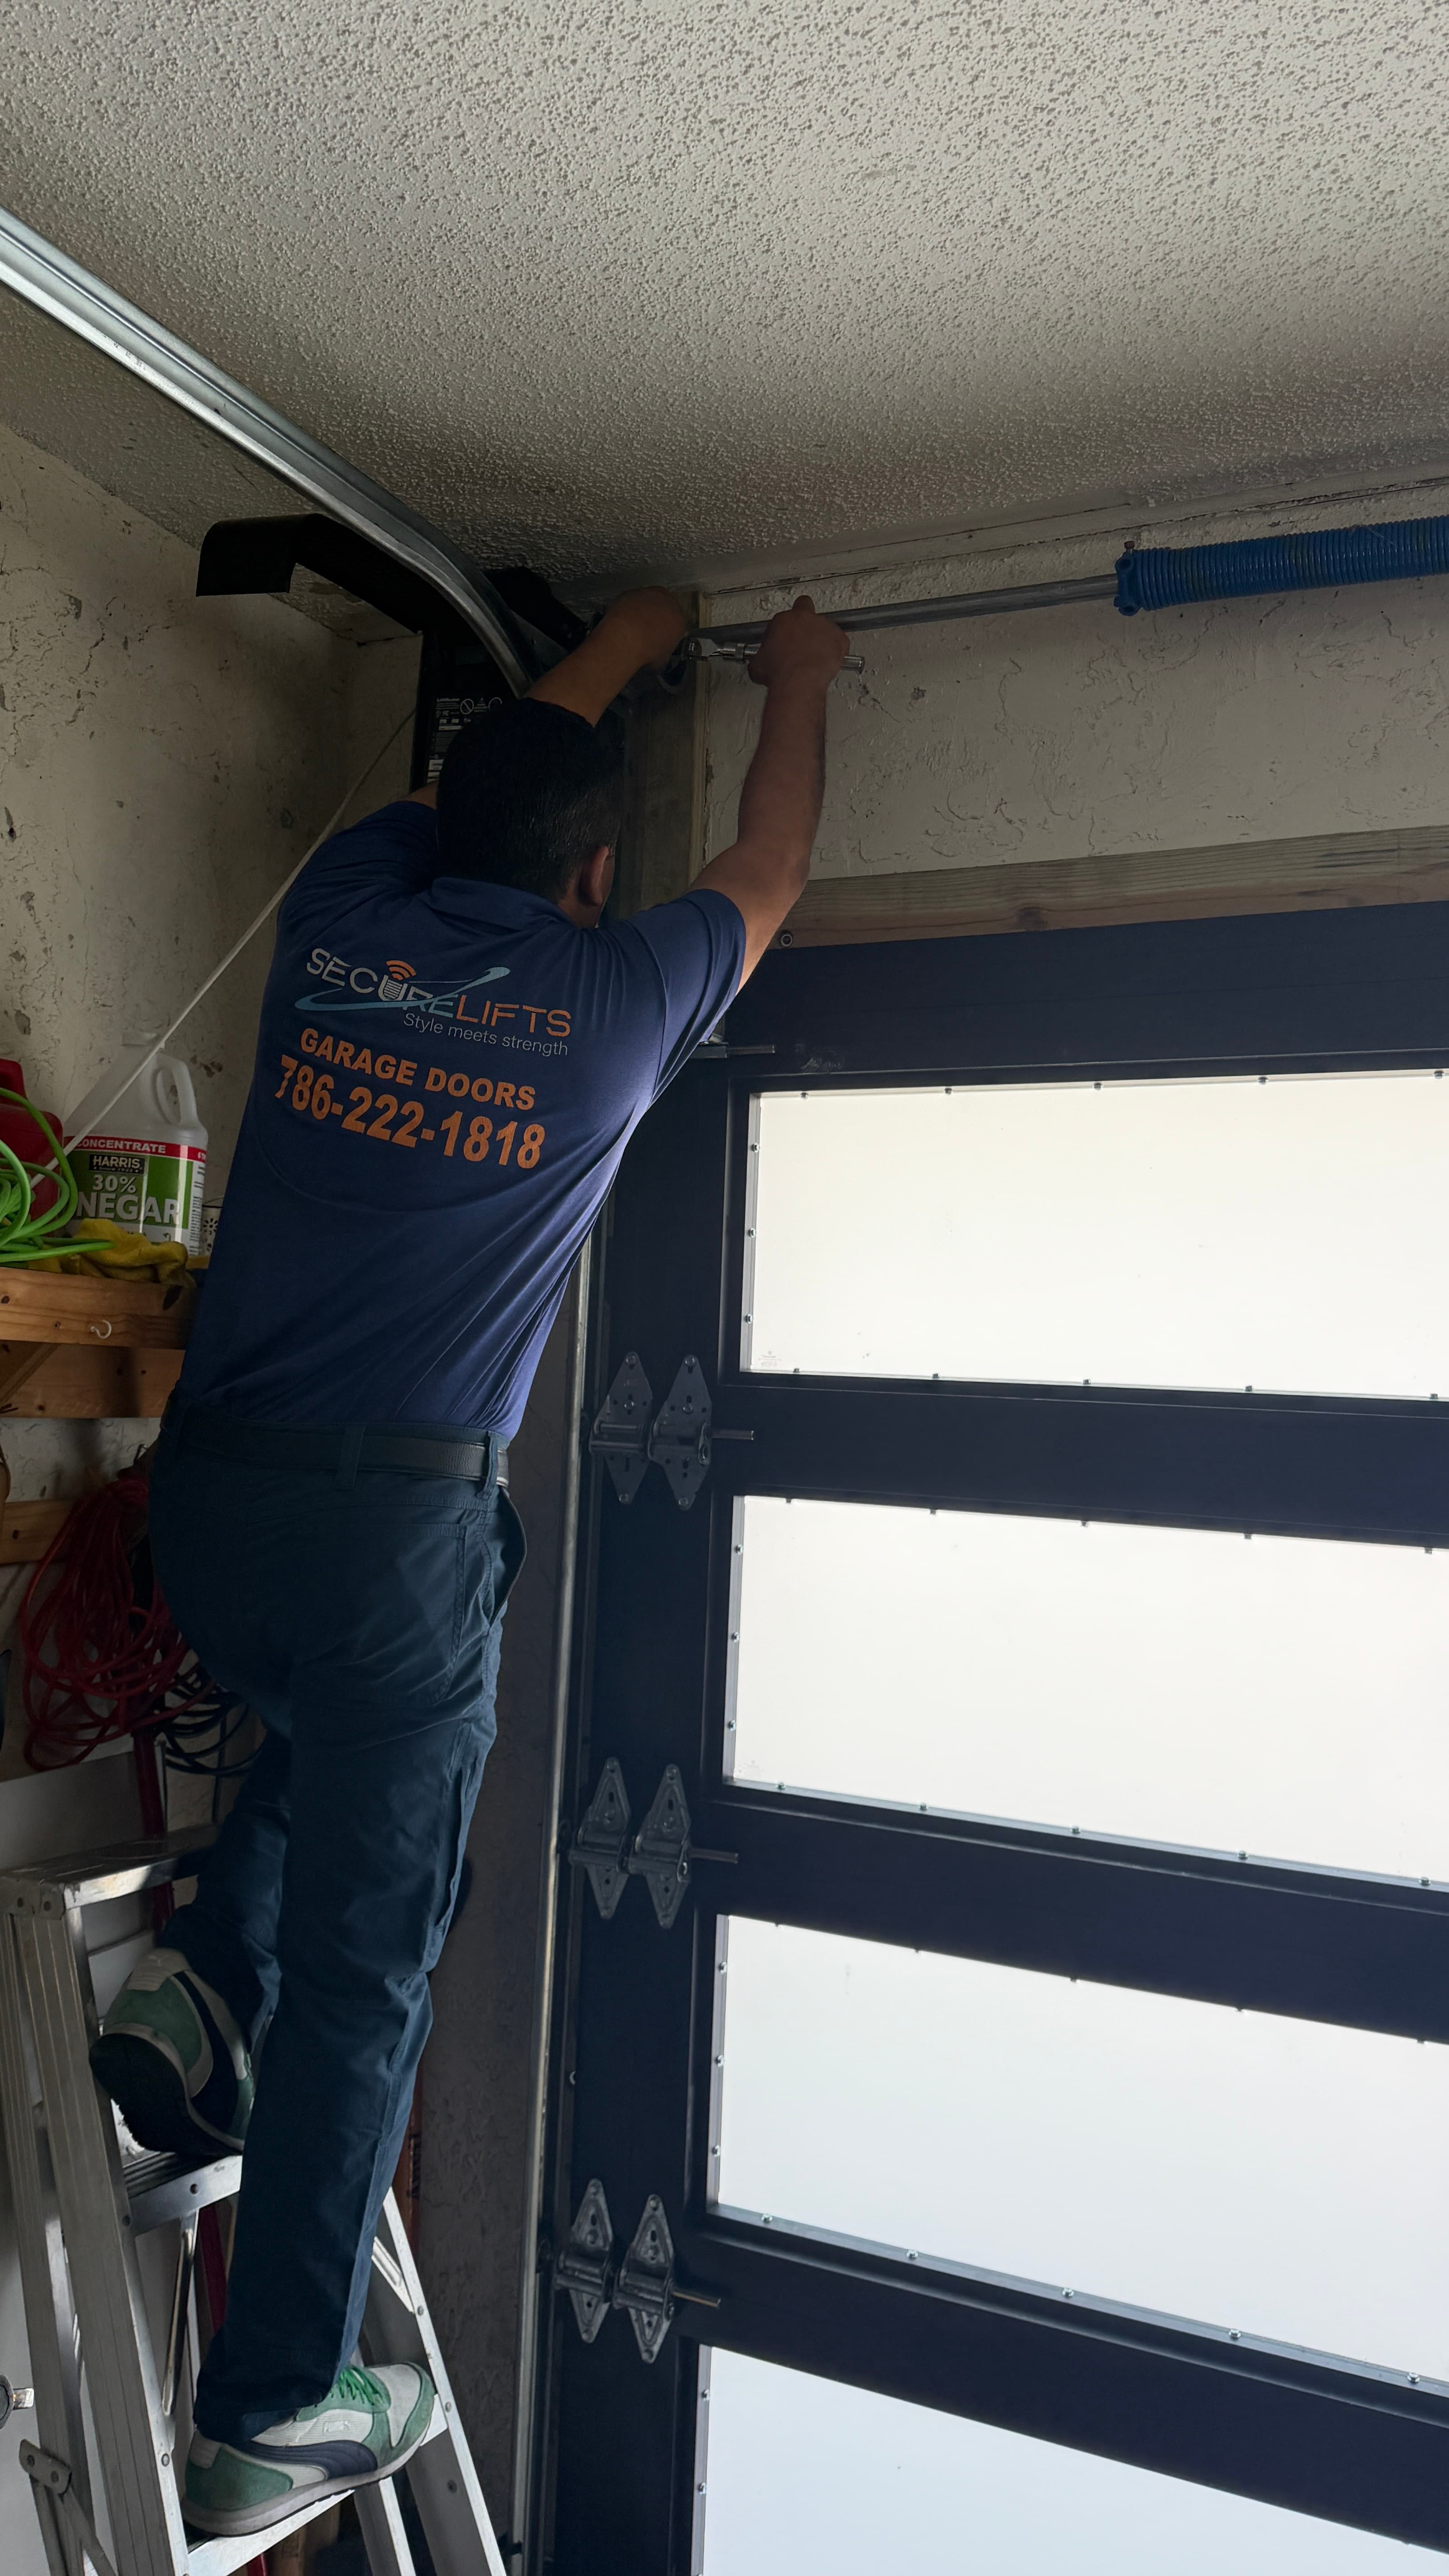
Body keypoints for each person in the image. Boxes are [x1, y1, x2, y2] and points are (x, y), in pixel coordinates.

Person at [88, 587, 848, 2539]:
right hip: (352, 1551)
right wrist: (810, 685)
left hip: (234, 1505)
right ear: (599, 878)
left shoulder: (343, 920)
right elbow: (768, 857)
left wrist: (620, 640)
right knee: (373, 1955)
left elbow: (500, 778)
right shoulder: (609, 1016)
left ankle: (195, 1998)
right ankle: (266, 2401)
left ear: (446, 823)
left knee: (377, 1764)